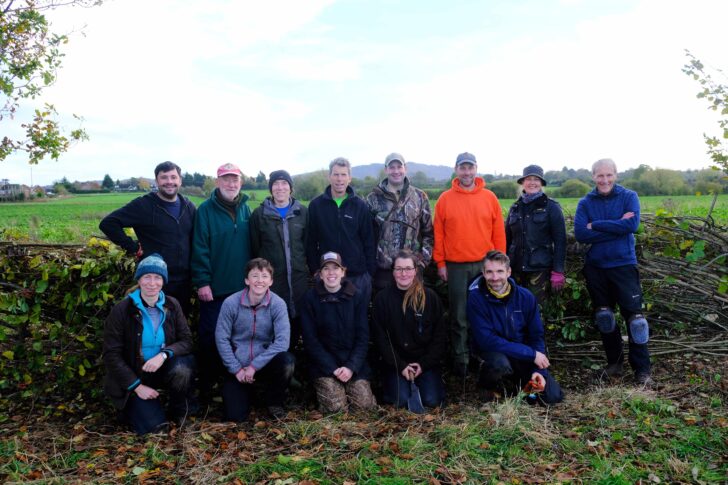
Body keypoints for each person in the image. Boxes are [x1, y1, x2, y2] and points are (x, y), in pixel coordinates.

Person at [574, 158, 652, 386]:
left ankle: (642, 369)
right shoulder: (586, 202)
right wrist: (616, 225)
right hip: (596, 267)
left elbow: (631, 226)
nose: (604, 180)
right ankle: (615, 364)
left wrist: (596, 225)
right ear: (593, 176)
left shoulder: (629, 197)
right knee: (605, 317)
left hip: (624, 265)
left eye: (609, 175)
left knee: (636, 321)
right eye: (600, 175)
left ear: (616, 175)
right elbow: (581, 234)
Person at [102, 254, 197, 435]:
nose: (152, 283)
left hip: (162, 368)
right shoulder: (122, 309)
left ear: (163, 281)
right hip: (135, 375)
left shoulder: (172, 304)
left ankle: (179, 409)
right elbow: (111, 354)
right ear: (139, 279)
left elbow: (186, 341)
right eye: (147, 277)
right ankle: (135, 406)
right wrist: (137, 386)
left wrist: (163, 355)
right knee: (156, 430)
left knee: (183, 367)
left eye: (157, 277)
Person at [433, 152, 506, 376]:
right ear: (456, 170)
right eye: (462, 168)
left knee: (486, 313)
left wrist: (499, 264)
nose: (467, 172)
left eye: (470, 167)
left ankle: (483, 358)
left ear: (476, 169)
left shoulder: (489, 197)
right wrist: (440, 263)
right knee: (458, 316)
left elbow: (498, 233)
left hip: (485, 266)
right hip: (456, 266)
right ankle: (461, 361)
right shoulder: (445, 199)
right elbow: (439, 234)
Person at [467, 250, 564, 405]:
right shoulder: (476, 298)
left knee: (550, 397)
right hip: (494, 353)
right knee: (499, 365)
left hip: (521, 354)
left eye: (500, 271)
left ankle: (522, 392)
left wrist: (539, 371)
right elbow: (487, 341)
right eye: (489, 272)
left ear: (509, 272)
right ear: (483, 273)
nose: (495, 277)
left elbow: (536, 336)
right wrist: (531, 355)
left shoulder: (525, 297)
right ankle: (488, 387)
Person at [99, 161, 196, 314]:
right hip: (154, 280)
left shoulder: (188, 206)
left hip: (184, 280)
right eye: (164, 178)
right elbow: (109, 223)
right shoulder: (143, 205)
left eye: (173, 177)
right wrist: (132, 246)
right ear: (157, 181)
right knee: (153, 325)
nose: (169, 182)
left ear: (180, 180)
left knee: (179, 323)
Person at [191, 162, 252, 400]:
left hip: (243, 290)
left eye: (235, 179)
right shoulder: (205, 210)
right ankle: (207, 386)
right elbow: (199, 248)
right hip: (215, 290)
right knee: (211, 338)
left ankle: (234, 385)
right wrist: (202, 281)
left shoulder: (247, 209)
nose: (231, 184)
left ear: (240, 182)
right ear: (217, 182)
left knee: (239, 339)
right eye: (226, 179)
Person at [215, 258, 295, 421]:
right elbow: (221, 338)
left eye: (264, 276)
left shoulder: (278, 304)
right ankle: (247, 393)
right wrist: (236, 369)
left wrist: (254, 366)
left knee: (287, 361)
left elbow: (282, 342)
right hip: (237, 367)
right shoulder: (231, 303)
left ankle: (274, 402)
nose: (260, 281)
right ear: (247, 280)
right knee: (235, 418)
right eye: (255, 276)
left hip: (264, 365)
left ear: (271, 281)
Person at [301, 252, 376, 414]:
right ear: (320, 274)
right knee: (336, 409)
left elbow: (363, 337)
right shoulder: (310, 299)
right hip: (325, 366)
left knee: (364, 407)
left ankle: (354, 389)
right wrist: (332, 368)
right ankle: (323, 393)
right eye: (326, 269)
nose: (331, 273)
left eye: (336, 268)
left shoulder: (356, 296)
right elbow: (310, 341)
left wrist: (351, 366)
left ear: (343, 272)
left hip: (352, 364)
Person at [371, 250, 447, 409]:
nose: (403, 273)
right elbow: (381, 340)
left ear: (415, 271)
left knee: (432, 401)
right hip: (396, 364)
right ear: (393, 272)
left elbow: (440, 337)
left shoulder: (430, 297)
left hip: (424, 363)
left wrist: (423, 365)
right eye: (398, 269)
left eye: (407, 268)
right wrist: (400, 365)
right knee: (402, 401)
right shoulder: (382, 299)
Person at [250, 170, 308, 346]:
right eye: (276, 184)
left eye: (284, 183)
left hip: (298, 279)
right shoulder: (259, 215)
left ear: (291, 188)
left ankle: (295, 365)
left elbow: (306, 244)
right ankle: (278, 363)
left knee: (298, 320)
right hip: (273, 281)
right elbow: (254, 248)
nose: (280, 187)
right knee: (273, 323)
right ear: (271, 188)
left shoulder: (302, 212)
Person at [306, 157, 376, 304]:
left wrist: (369, 273)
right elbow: (310, 241)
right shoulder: (316, 206)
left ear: (349, 178)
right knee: (329, 322)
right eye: (336, 174)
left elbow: (369, 241)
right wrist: (315, 270)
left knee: (358, 320)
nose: (339, 179)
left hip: (357, 276)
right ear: (329, 176)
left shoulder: (360, 206)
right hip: (328, 275)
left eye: (344, 175)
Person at [366, 153, 434, 292]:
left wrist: (422, 263)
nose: (396, 171)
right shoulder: (372, 199)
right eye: (392, 167)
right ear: (386, 170)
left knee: (412, 310)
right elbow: (366, 236)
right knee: (384, 310)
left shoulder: (420, 197)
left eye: (399, 166)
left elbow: (429, 233)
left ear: (405, 168)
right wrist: (371, 263)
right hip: (383, 270)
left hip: (411, 270)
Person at [505, 164, 567, 304]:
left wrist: (558, 270)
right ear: (523, 183)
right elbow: (507, 239)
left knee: (536, 311)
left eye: (536, 179)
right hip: (515, 269)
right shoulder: (515, 207)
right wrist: (503, 266)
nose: (532, 182)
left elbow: (560, 241)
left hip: (539, 269)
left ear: (541, 183)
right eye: (528, 179)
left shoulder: (551, 207)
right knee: (516, 309)